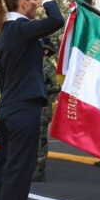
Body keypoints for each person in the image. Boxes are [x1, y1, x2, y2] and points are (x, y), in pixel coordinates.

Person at [0, 0, 63, 200]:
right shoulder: (19, 29)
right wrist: (48, 1)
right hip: (22, 111)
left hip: (11, 110)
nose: (36, 3)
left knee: (5, 177)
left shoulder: (6, 32)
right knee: (17, 179)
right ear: (22, 2)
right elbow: (56, 21)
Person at [32, 38, 61, 182]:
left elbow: (57, 87)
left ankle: (39, 170)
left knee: (40, 140)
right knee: (32, 138)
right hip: (32, 107)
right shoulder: (33, 65)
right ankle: (32, 167)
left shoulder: (49, 67)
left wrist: (42, 89)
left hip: (44, 108)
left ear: (45, 51)